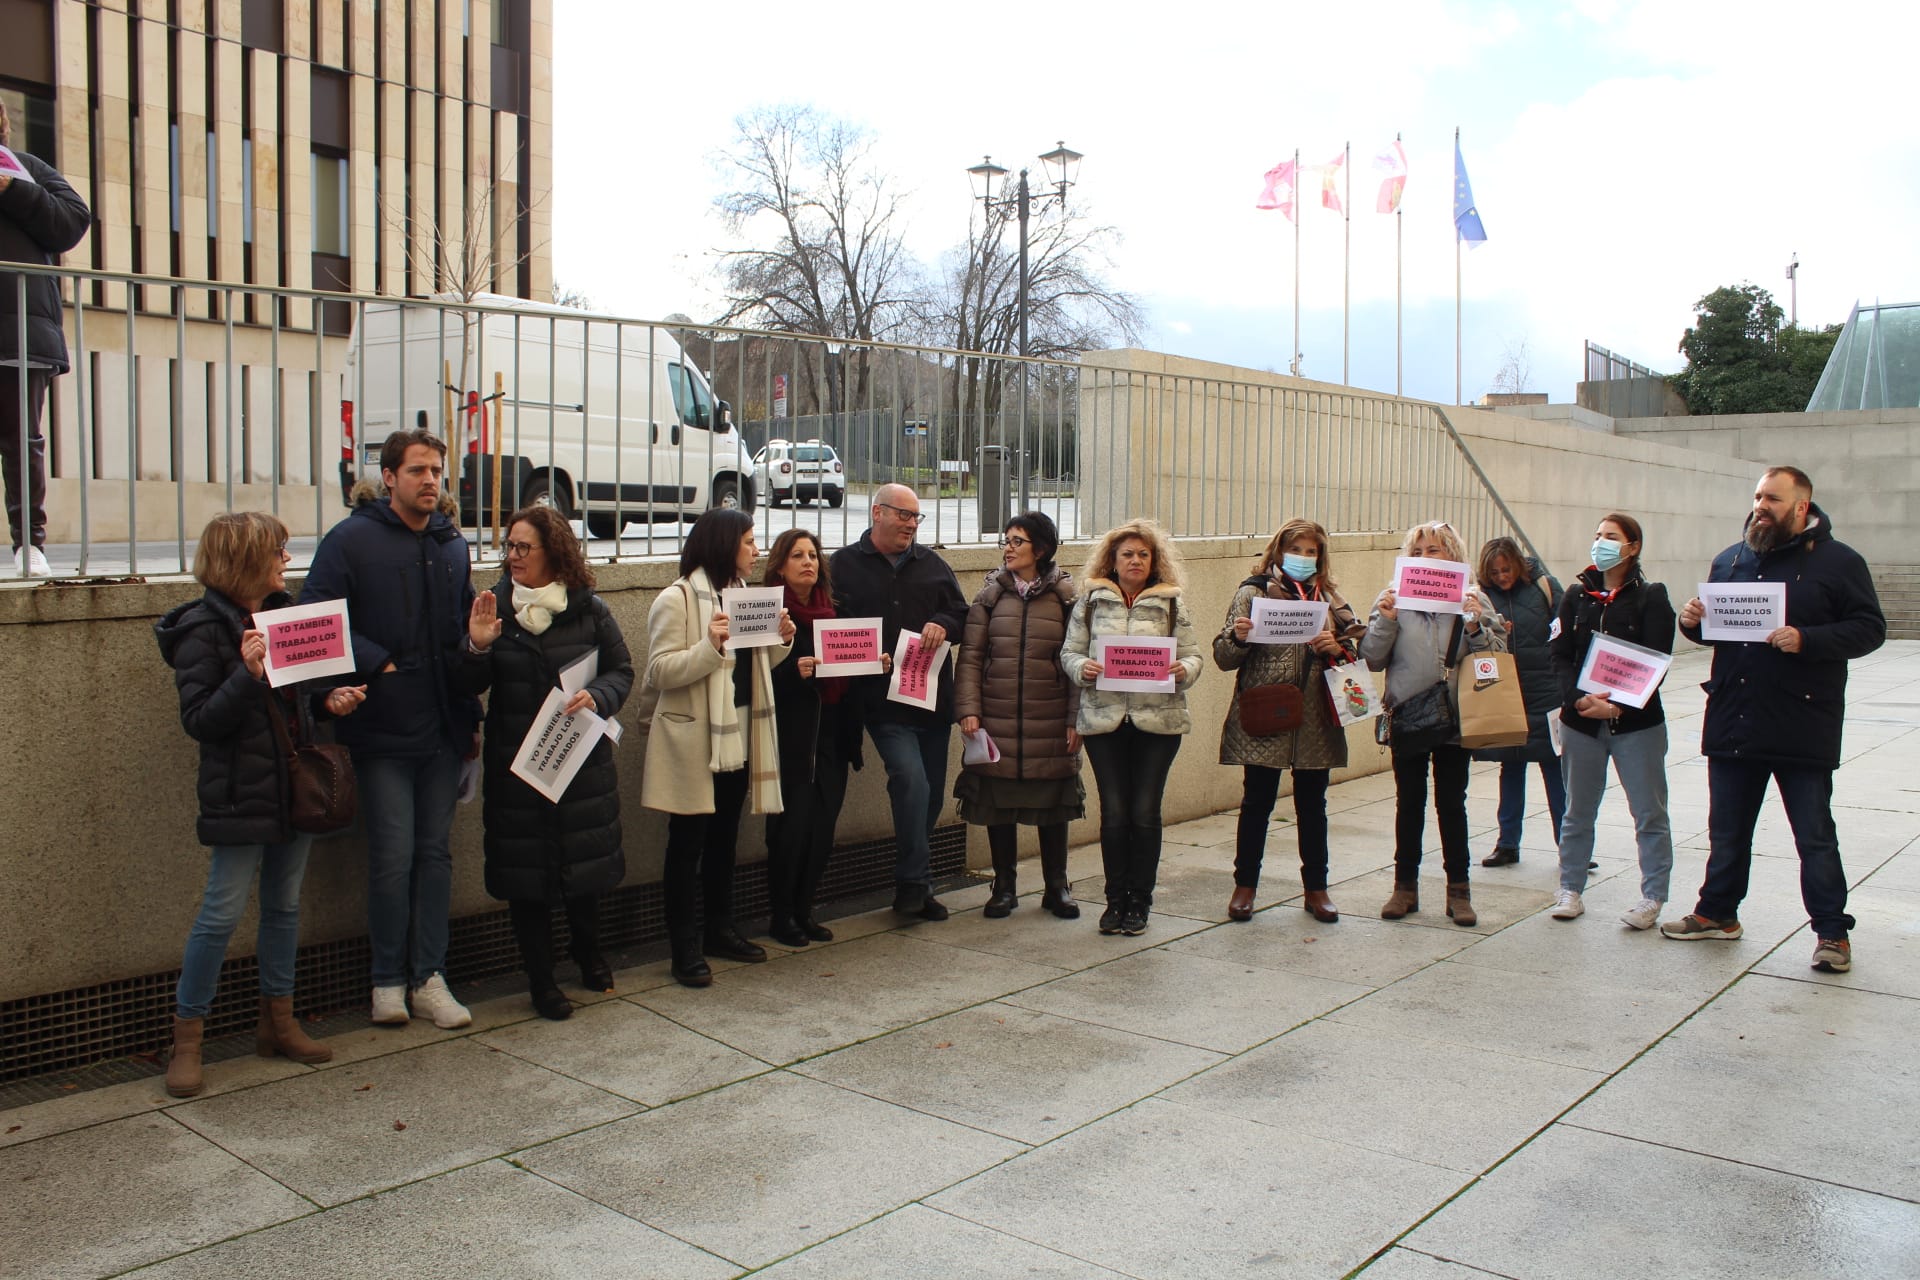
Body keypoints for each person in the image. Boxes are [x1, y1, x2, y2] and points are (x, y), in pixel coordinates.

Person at [154, 512, 367, 1096]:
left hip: (291, 788)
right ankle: (188, 1039)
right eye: (276, 550)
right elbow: (201, 721)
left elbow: (299, 701)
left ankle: (278, 1023)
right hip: (239, 795)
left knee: (283, 907)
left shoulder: (281, 615)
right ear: (246, 559)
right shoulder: (203, 629)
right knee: (220, 913)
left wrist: (331, 701)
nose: (285, 560)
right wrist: (247, 675)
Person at [1665, 467, 1886, 972]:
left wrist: (1807, 639)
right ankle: (1718, 913)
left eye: (1774, 498)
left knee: (1813, 834)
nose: (1761, 506)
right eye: (1758, 496)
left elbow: (1869, 628)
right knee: (1726, 830)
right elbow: (1720, 635)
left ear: (1803, 507)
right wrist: (1692, 623)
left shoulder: (1839, 562)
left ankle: (1832, 932)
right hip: (1733, 717)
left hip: (1801, 720)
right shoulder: (1732, 559)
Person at [301, 428, 480, 1030]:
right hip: (379, 732)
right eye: (419, 471)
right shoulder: (350, 540)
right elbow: (314, 618)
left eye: (438, 471)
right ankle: (385, 982)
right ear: (390, 478)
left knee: (434, 857)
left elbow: (461, 632)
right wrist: (375, 658)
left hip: (442, 731)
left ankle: (429, 976)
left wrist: (475, 659)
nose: (431, 481)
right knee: (391, 857)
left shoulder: (453, 545)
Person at [459, 506, 632, 1020]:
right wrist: (475, 647)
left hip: (579, 762)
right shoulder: (493, 608)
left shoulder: (589, 609)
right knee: (527, 878)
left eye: (522, 547)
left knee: (583, 867)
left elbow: (621, 669)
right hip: (519, 767)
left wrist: (598, 696)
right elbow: (467, 686)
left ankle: (588, 953)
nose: (511, 557)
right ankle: (541, 980)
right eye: (508, 547)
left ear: (552, 552)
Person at [640, 508, 793, 987]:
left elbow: (757, 663)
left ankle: (719, 930)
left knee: (725, 839)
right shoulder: (678, 597)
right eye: (749, 541)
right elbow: (659, 672)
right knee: (687, 845)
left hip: (738, 734)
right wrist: (708, 646)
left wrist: (784, 640)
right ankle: (683, 947)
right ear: (725, 544)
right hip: (693, 740)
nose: (756, 550)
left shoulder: (749, 596)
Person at [1214, 517, 1364, 924]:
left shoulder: (1329, 597)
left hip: (1316, 717)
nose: (1302, 557)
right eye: (1295, 549)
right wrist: (1239, 638)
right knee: (1257, 803)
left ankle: (1316, 889)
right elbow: (1223, 658)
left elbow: (1358, 656)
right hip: (1267, 710)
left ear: (1321, 555)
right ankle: (1245, 887)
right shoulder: (1253, 591)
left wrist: (1337, 645)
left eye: (1310, 551)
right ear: (1279, 551)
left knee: (1313, 806)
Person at [828, 483, 968, 920]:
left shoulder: (933, 564)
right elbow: (831, 626)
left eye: (916, 517)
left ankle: (917, 885)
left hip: (930, 702)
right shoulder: (843, 565)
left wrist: (943, 623)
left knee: (929, 799)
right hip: (881, 704)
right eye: (903, 515)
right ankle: (912, 884)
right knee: (910, 782)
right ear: (877, 513)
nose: (911, 524)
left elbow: (963, 616)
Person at [1060, 519, 1203, 936]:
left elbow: (1194, 657)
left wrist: (1183, 669)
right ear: (1113, 560)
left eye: (1143, 554)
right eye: (1127, 554)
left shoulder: (1172, 603)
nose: (1135, 560)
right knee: (1115, 814)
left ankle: (1140, 901)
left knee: (1144, 813)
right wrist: (1081, 666)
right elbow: (1069, 651)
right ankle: (1114, 900)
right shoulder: (1090, 602)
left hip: (1158, 723)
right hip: (1104, 721)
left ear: (1154, 560)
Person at [1362, 520, 1503, 927]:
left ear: (1453, 555)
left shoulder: (1474, 598)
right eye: (1417, 550)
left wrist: (1474, 624)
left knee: (1451, 804)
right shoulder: (1391, 598)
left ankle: (1459, 891)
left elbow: (1494, 660)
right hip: (1407, 714)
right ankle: (1404, 887)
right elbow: (1372, 658)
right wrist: (1386, 619)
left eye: (1434, 549)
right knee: (1409, 803)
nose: (1424, 557)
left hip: (1455, 717)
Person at [1548, 514, 1676, 929]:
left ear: (1633, 547)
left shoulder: (1651, 596)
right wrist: (1579, 699)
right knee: (1577, 810)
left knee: (1649, 812)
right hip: (1582, 720)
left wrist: (1620, 707)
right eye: (1597, 535)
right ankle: (1571, 888)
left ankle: (1652, 897)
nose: (1600, 543)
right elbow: (1560, 655)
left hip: (1636, 725)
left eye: (1611, 537)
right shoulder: (1576, 595)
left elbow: (1656, 661)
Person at [955, 512, 1084, 921]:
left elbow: (1077, 661)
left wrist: (1074, 718)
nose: (1008, 549)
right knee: (999, 803)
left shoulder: (1067, 597)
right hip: (997, 716)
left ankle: (1056, 886)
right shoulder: (990, 595)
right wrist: (969, 711)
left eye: (1017, 541)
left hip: (1049, 718)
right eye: (1006, 541)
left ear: (1040, 549)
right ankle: (1004, 886)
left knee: (1052, 803)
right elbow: (972, 658)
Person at [762, 527, 880, 947]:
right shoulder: (769, 615)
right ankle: (781, 915)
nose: (808, 562)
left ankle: (804, 909)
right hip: (792, 736)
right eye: (797, 555)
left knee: (823, 828)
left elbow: (849, 666)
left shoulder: (836, 610)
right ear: (779, 565)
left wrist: (872, 661)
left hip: (832, 732)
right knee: (791, 828)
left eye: (813, 555)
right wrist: (794, 673)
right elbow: (754, 679)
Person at [0, 100, 92, 577]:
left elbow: (72, 222)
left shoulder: (28, 170)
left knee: (22, 440)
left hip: (20, 331)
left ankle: (28, 545)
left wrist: (11, 188)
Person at [1473, 537, 1567, 868]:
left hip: (1546, 689)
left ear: (1518, 564)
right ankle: (1507, 843)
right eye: (1495, 571)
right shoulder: (1481, 596)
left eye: (1507, 569)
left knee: (1555, 769)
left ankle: (1569, 845)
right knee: (1510, 766)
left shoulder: (1545, 586)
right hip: (1505, 690)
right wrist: (1497, 632)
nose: (1501, 576)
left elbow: (1567, 630)